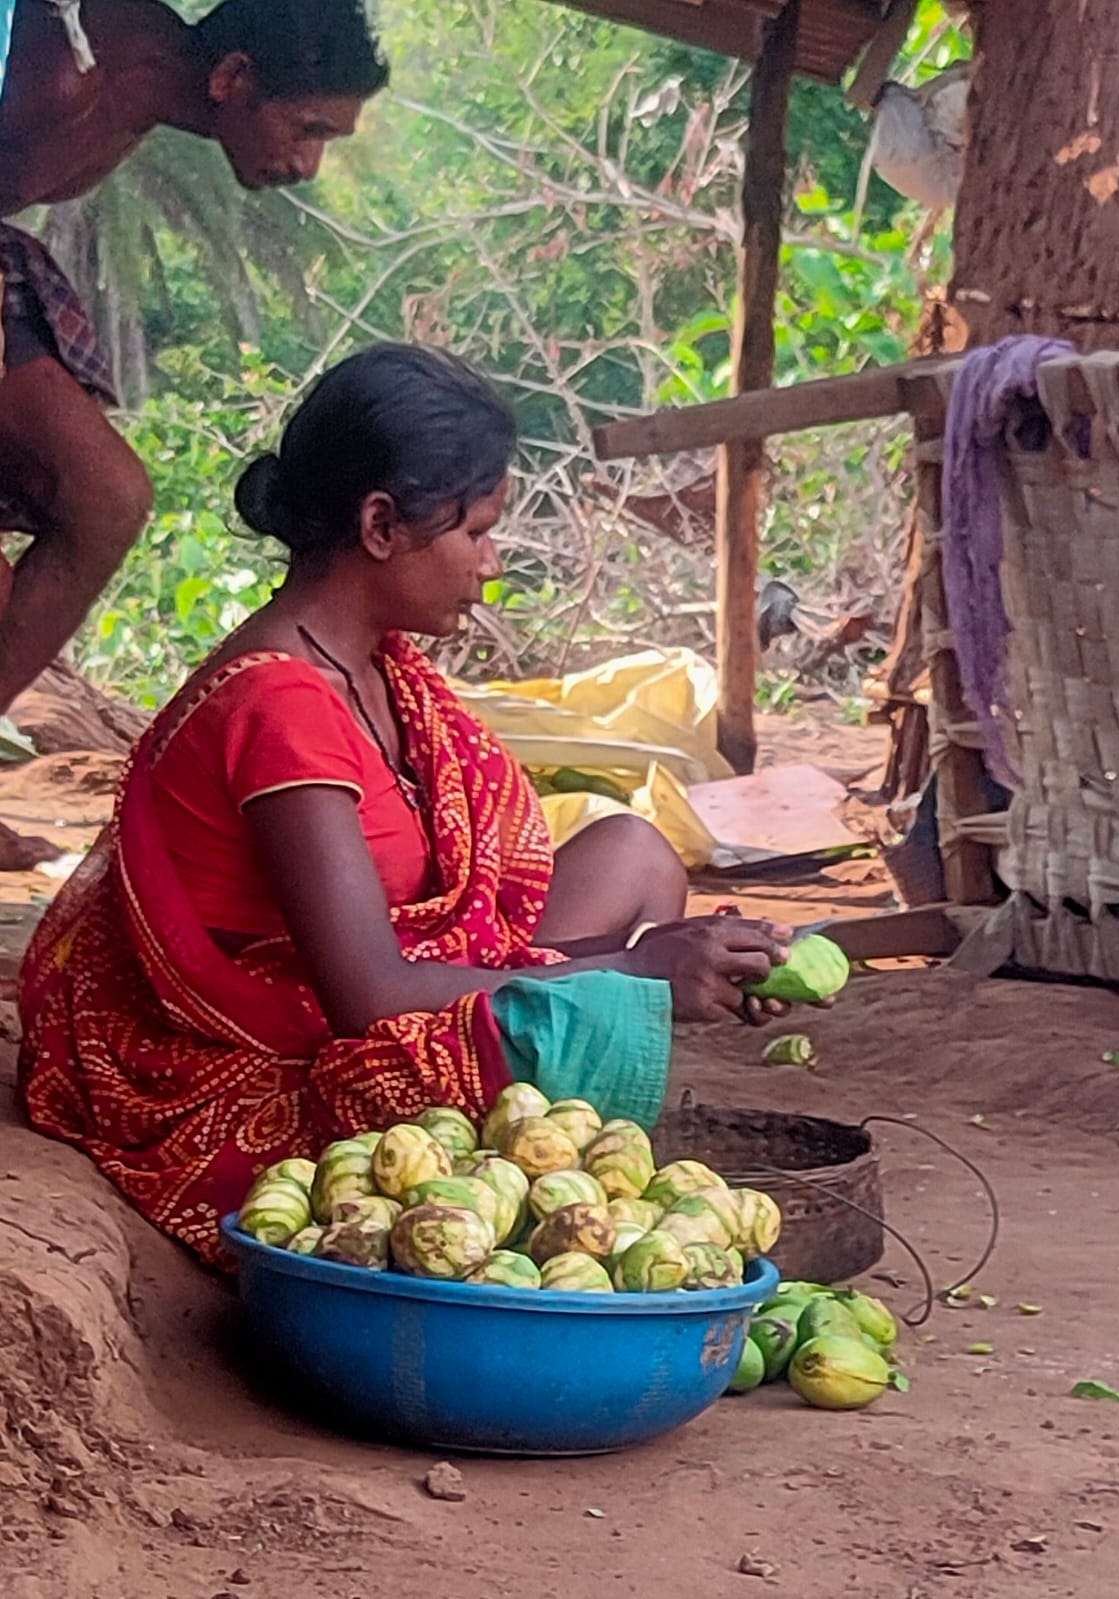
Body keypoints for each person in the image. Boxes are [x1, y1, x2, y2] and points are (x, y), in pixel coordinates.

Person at [18, 343, 795, 1268]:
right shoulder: (277, 705)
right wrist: (630, 973)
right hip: (268, 1048)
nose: (492, 564)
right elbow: (371, 996)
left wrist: (643, 967)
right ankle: (549, 1149)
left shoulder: (375, 667)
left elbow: (443, 926)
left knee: (634, 852)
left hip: (383, 972)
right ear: (382, 524)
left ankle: (575, 1104)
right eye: (475, 533)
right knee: (602, 998)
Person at [0, 0, 389, 714]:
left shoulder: (135, 92)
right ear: (233, 76)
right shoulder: (71, 75)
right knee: (65, 530)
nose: (309, 165)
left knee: (104, 500)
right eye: (308, 129)